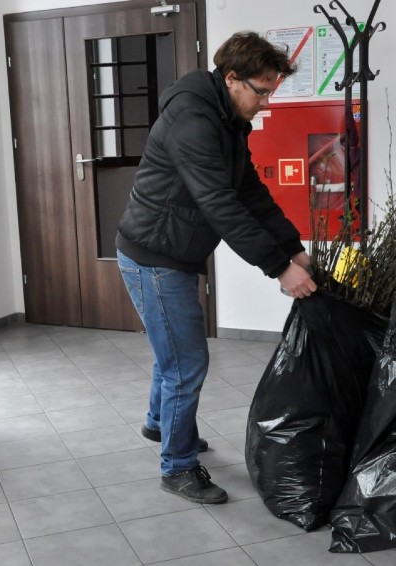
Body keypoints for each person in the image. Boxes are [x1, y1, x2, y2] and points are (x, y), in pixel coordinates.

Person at [115, 31, 317, 505]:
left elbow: (248, 189)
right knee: (187, 363)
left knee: (174, 355)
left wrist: (294, 249)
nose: (266, 102)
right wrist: (279, 269)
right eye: (262, 90)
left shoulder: (227, 117)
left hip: (171, 251)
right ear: (231, 79)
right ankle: (178, 467)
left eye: (272, 90)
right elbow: (220, 205)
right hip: (155, 257)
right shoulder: (194, 119)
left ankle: (159, 423)